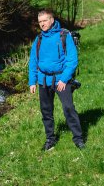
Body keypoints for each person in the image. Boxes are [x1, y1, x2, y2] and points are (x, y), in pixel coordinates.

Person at [28, 9, 85, 151]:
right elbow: (33, 61)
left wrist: (64, 79)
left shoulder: (64, 35)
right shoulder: (39, 39)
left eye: (45, 20)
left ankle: (78, 139)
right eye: (40, 21)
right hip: (43, 80)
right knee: (46, 111)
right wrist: (32, 81)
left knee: (68, 108)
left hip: (61, 80)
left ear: (52, 20)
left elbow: (72, 60)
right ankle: (50, 139)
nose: (42, 24)